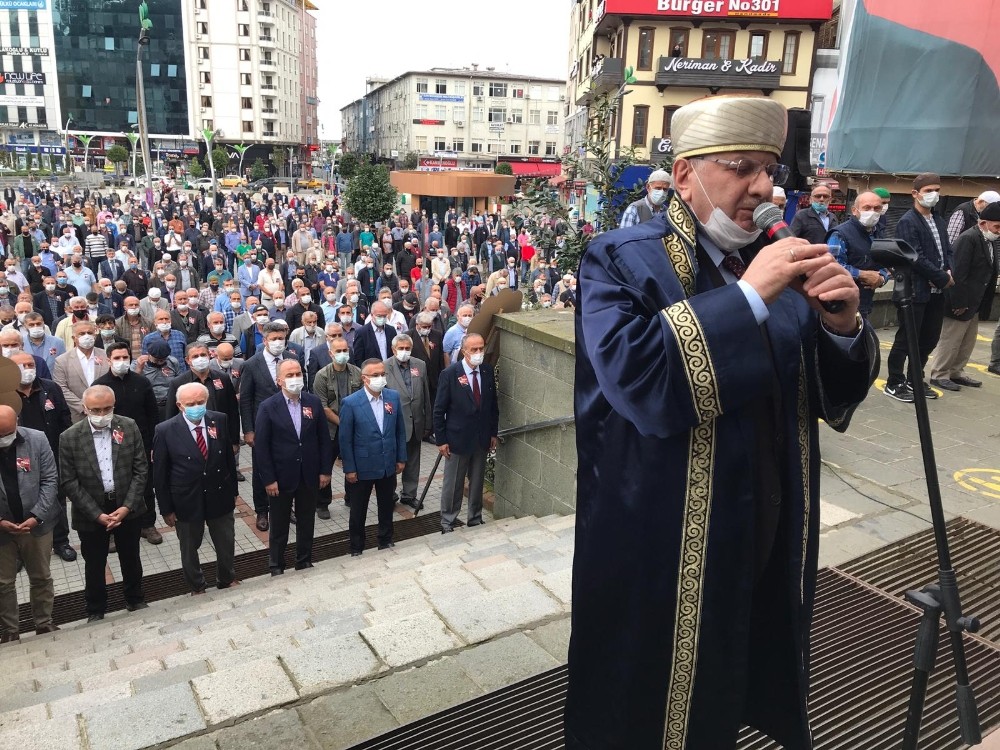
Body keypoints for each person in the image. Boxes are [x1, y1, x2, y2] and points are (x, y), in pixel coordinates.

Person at [566, 95, 878, 750]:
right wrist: (747, 297)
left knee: (726, 687)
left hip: (759, 535)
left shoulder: (781, 261)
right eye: (742, 167)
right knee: (639, 705)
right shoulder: (618, 258)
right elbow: (640, 380)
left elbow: (827, 393)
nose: (763, 188)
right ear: (685, 175)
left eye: (770, 170)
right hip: (655, 549)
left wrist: (843, 325)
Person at [60, 385, 149, 622]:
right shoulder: (69, 437)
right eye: (96, 410)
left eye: (107, 409)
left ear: (114, 405)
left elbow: (141, 470)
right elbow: (68, 481)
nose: (102, 415)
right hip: (91, 511)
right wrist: (96, 514)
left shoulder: (128, 426)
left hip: (125, 506)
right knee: (94, 563)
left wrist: (127, 506)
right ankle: (96, 610)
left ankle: (135, 599)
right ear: (85, 409)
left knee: (131, 557)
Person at [153, 383, 240, 595]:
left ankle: (227, 578)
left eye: (200, 402)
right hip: (186, 499)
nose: (196, 407)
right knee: (189, 546)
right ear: (179, 405)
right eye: (190, 404)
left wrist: (233, 492)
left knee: (225, 541)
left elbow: (229, 459)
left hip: (219, 494)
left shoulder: (219, 419)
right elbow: (160, 474)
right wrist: (166, 509)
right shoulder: (165, 430)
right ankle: (197, 585)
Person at [254, 359, 332, 575]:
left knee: (306, 521)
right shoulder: (268, 407)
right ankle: (277, 565)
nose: (295, 378)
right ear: (279, 380)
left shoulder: (313, 402)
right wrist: (268, 479)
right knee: (279, 525)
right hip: (281, 477)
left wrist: (325, 470)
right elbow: (261, 447)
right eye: (289, 375)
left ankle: (304, 560)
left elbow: (324, 440)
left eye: (298, 373)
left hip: (309, 474)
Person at [884, 173, 954, 403]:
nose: (934, 195)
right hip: (915, 291)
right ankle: (894, 382)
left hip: (936, 293)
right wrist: (941, 277)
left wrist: (949, 270)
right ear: (915, 194)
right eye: (928, 190)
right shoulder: (907, 222)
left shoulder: (939, 220)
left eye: (937, 189)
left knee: (929, 338)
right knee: (906, 338)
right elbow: (915, 257)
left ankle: (915, 378)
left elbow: (948, 250)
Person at [0, 404, 60, 642]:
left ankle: (44, 623)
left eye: (7, 433)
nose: (3, 439)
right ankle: (10, 631)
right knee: (3, 583)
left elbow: (50, 479)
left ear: (17, 423)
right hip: (2, 528)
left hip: (36, 524)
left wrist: (37, 515)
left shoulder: (37, 439)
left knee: (41, 576)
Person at [11, 352, 74, 562]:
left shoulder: (50, 387)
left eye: (31, 364)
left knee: (56, 497)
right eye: (22, 365)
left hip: (50, 453)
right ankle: (19, 548)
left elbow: (65, 417)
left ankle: (61, 541)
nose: (28, 369)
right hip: (16, 455)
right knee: (19, 499)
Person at [339, 358, 406, 556]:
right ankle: (356, 547)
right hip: (362, 466)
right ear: (364, 379)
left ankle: (386, 540)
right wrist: (349, 469)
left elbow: (399, 430)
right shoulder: (351, 403)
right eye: (375, 375)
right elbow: (345, 439)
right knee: (358, 510)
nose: (380, 378)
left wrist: (401, 457)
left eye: (382, 374)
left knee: (386, 505)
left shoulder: (392, 397)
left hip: (387, 463)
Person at [931, 201, 1000, 390]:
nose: (998, 231)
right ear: (983, 223)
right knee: (951, 340)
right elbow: (957, 274)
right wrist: (958, 301)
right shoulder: (968, 239)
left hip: (975, 301)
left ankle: (956, 372)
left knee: (967, 341)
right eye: (997, 226)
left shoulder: (989, 240)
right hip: (960, 301)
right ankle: (940, 374)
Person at [433, 333, 498, 533]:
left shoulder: (486, 371)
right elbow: (439, 410)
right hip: (457, 440)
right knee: (453, 483)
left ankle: (475, 518)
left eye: (481, 348)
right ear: (464, 351)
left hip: (481, 438)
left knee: (477, 481)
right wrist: (441, 440)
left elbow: (493, 406)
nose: (479, 353)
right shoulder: (451, 374)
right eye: (474, 350)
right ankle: (448, 521)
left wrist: (493, 433)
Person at [239, 321, 298, 531]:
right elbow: (245, 400)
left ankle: (286, 507)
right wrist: (248, 429)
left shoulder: (292, 360)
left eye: (281, 338)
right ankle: (262, 510)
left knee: (289, 466)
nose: (278, 343)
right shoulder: (251, 364)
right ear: (264, 340)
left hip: (290, 425)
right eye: (274, 339)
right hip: (262, 427)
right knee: (261, 470)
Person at [165, 342, 242, 480]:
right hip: (192, 439)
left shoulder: (222, 378)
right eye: (195, 356)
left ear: (210, 356)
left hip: (219, 436)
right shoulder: (178, 383)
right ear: (188, 360)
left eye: (203, 355)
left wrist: (234, 440)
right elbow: (171, 416)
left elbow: (233, 410)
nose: (200, 358)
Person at [312, 333, 362, 515]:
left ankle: (351, 498)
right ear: (330, 353)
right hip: (330, 430)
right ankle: (323, 503)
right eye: (338, 351)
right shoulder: (322, 375)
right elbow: (323, 406)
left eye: (345, 350)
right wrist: (343, 424)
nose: (342, 354)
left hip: (354, 428)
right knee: (325, 464)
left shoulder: (357, 372)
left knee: (353, 463)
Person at [828, 192, 891, 318]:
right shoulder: (840, 234)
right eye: (867, 208)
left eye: (877, 208)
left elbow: (886, 265)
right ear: (854, 210)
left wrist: (881, 278)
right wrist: (862, 274)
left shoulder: (879, 233)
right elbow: (832, 266)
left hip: (865, 303)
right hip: (842, 305)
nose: (872, 212)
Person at [384, 334, 429, 509]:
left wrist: (427, 422)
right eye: (401, 348)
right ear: (393, 349)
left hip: (416, 422)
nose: (404, 352)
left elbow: (425, 394)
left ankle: (409, 495)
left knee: (413, 461)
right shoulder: (385, 367)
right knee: (393, 462)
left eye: (407, 348)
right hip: (394, 424)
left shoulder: (420, 365)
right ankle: (390, 495)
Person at [53, 320, 110, 423]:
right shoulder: (62, 361)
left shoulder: (106, 356)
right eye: (82, 334)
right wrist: (83, 407)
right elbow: (61, 388)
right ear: (74, 338)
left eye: (90, 333)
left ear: (95, 336)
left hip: (105, 413)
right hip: (77, 416)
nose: (86, 336)